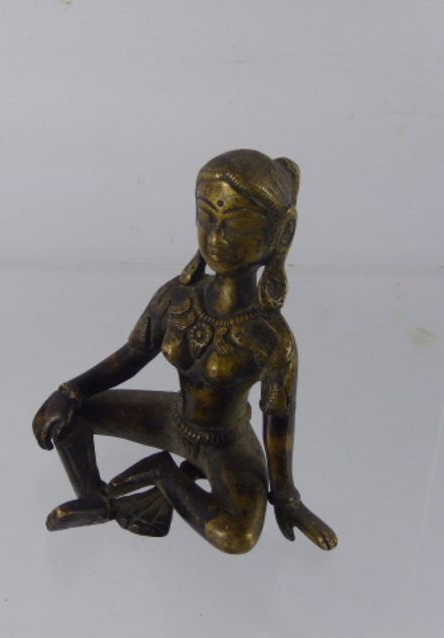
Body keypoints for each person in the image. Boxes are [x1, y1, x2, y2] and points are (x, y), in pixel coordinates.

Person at [32, 150, 337, 553]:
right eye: (206, 218)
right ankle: (95, 499)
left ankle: (165, 475)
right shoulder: (176, 298)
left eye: (236, 225)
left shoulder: (270, 338)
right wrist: (69, 392)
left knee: (238, 538)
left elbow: (278, 423)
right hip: (172, 418)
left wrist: (286, 498)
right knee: (69, 417)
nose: (216, 238)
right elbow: (129, 357)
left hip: (227, 442)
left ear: (279, 236)